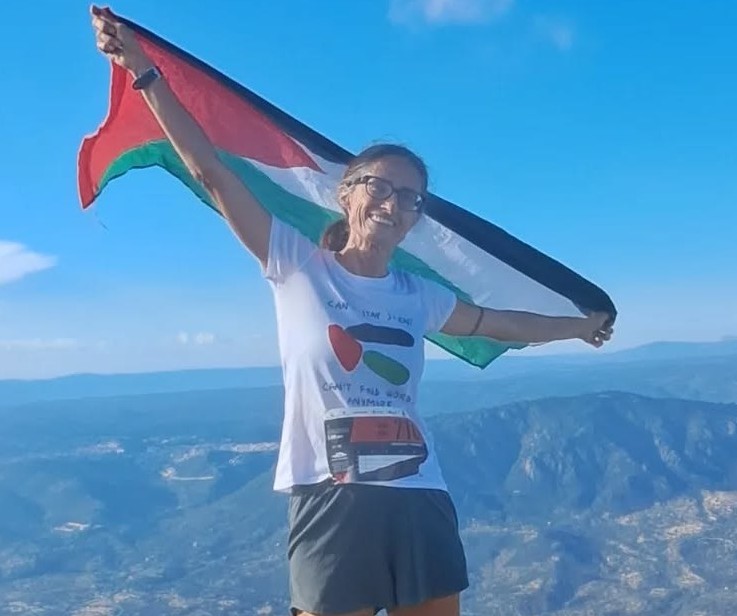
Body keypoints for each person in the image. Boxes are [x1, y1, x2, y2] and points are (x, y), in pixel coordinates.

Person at [90, 6, 614, 616]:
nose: (393, 203)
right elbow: (213, 173)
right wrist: (145, 73)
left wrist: (580, 327)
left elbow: (500, 323)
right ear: (346, 192)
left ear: (416, 217)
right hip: (328, 493)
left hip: (417, 490)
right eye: (379, 186)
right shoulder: (295, 264)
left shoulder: (418, 295)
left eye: (410, 197)